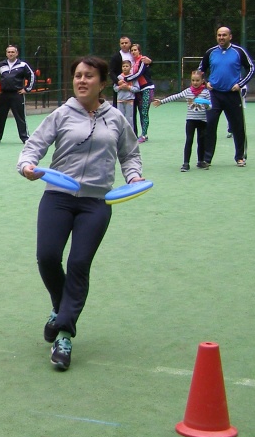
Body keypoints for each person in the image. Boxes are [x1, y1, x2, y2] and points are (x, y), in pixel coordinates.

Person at [17, 56, 143, 371]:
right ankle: (60, 308)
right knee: (47, 257)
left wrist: (134, 177)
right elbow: (34, 145)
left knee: (78, 264)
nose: (82, 80)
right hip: (58, 196)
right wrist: (27, 165)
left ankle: (64, 333)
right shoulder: (61, 114)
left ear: (103, 83)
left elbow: (130, 154)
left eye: (89, 76)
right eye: (77, 75)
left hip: (96, 202)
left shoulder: (116, 118)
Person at [198, 26, 254, 168]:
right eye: (219, 35)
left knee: (237, 126)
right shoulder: (210, 52)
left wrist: (240, 84)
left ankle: (240, 157)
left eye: (224, 35)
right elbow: (200, 70)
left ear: (230, 36)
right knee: (209, 125)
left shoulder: (238, 51)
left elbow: (251, 68)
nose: (221, 37)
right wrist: (205, 82)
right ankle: (207, 159)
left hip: (232, 95)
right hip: (214, 95)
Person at [152, 69, 211, 171]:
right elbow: (175, 97)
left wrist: (206, 105)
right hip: (191, 120)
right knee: (189, 140)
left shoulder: (206, 93)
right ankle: (186, 163)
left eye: (197, 80)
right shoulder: (188, 91)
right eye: (193, 80)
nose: (195, 82)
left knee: (201, 141)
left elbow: (210, 106)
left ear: (202, 81)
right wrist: (161, 102)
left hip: (202, 121)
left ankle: (201, 161)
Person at [0, 45, 35, 143]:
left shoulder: (23, 65)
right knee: (0, 117)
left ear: (16, 53)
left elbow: (31, 76)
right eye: (9, 52)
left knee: (20, 117)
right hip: (3, 95)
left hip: (17, 95)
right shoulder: (0, 65)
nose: (10, 54)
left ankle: (25, 138)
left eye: (12, 52)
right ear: (6, 53)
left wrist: (27, 89)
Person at [128, 43, 154, 143]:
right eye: (132, 50)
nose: (133, 52)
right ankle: (144, 134)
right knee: (140, 112)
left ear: (139, 51)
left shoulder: (142, 60)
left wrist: (126, 79)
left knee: (144, 112)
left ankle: (144, 135)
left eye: (135, 50)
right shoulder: (133, 63)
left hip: (147, 88)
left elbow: (139, 74)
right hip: (139, 90)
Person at [109, 36, 136, 131]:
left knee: (132, 114)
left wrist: (150, 63)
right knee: (118, 113)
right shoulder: (116, 57)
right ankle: (118, 133)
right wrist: (118, 82)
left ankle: (133, 134)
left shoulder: (134, 54)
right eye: (122, 43)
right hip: (120, 89)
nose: (124, 45)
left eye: (126, 43)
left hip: (132, 89)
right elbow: (111, 72)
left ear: (130, 43)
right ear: (120, 44)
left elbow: (143, 65)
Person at [114, 60, 138, 125]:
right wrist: (120, 87)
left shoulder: (133, 77)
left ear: (130, 67)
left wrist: (128, 87)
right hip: (120, 100)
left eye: (127, 66)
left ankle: (130, 131)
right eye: (123, 66)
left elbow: (137, 89)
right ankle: (121, 131)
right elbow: (115, 88)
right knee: (120, 118)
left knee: (129, 118)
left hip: (129, 100)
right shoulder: (119, 77)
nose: (125, 68)